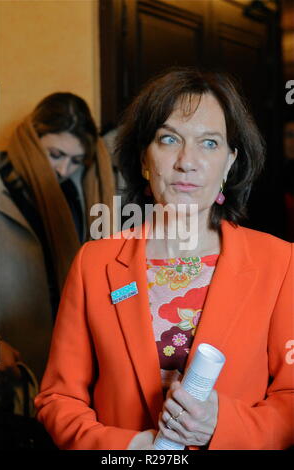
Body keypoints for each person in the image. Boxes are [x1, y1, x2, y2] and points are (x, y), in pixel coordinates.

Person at [35, 69, 294, 450]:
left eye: (209, 143)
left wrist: (222, 425)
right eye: (169, 139)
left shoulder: (280, 262)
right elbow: (60, 400)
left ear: (229, 163)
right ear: (144, 158)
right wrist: (128, 449)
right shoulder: (95, 263)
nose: (186, 161)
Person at [0, 92, 115, 385]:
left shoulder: (79, 189)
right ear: (32, 140)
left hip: (63, 357)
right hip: (7, 357)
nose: (63, 170)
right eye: (55, 154)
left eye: (75, 160)